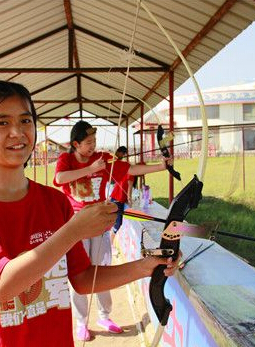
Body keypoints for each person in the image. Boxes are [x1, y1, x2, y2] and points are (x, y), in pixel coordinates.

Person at [0, 81, 179, 347]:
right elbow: (2, 286)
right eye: (2, 123)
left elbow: (82, 278)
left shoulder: (54, 202)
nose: (17, 132)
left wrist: (146, 267)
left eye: (25, 120)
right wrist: (74, 230)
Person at [53, 120, 171, 341]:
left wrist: (162, 166)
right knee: (78, 276)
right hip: (76, 226)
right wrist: (91, 169)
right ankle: (81, 322)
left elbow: (131, 169)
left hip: (98, 224)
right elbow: (60, 179)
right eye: (88, 142)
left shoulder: (103, 160)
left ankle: (104, 316)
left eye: (94, 141)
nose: (92, 146)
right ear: (75, 144)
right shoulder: (66, 159)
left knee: (101, 272)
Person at [109, 146, 134, 244]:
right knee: (117, 224)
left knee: (114, 223)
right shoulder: (130, 170)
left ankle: (110, 243)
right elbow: (130, 187)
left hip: (116, 199)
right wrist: (130, 199)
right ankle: (111, 244)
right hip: (117, 200)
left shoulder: (125, 168)